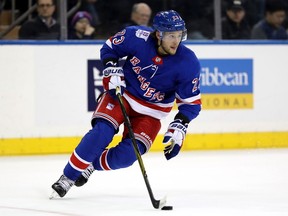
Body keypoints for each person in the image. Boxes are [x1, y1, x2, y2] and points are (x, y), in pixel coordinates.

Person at [50, 10, 201, 198]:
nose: (176, 41)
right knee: (101, 133)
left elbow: (191, 103)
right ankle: (67, 178)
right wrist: (112, 68)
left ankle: (90, 164)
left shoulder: (188, 62)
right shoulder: (136, 36)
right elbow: (110, 47)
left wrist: (181, 124)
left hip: (152, 112)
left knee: (128, 156)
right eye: (171, 35)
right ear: (158, 34)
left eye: (179, 36)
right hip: (122, 94)